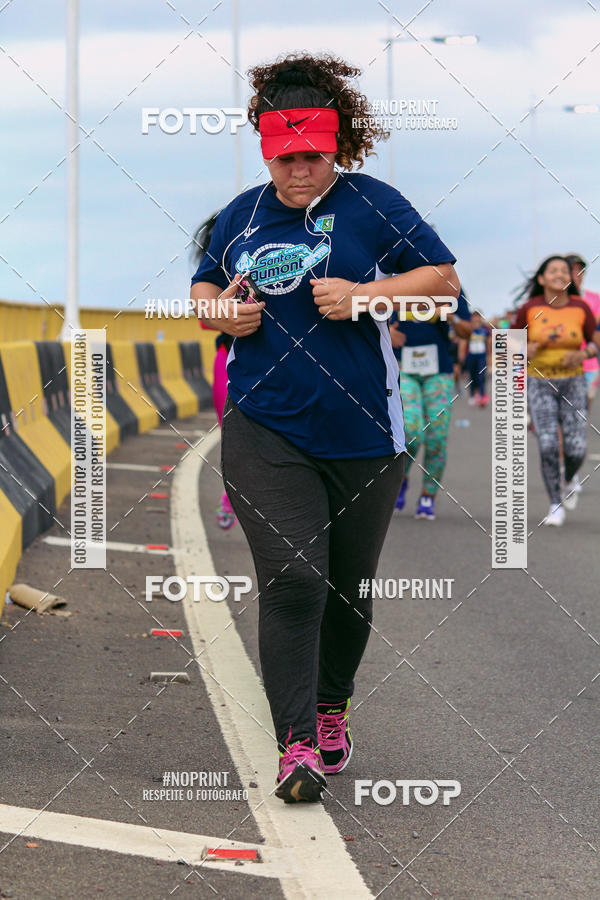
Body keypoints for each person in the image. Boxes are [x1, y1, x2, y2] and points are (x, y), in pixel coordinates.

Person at [190, 52, 459, 803]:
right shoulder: (244, 213)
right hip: (265, 424)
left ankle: (334, 705)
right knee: (293, 579)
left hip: (367, 434)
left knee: (346, 589)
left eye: (309, 157)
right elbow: (204, 285)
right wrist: (222, 312)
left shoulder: (375, 204)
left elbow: (443, 284)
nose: (296, 172)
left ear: (334, 146)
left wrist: (371, 294)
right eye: (283, 158)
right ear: (266, 150)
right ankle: (296, 744)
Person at [513, 255, 598, 526]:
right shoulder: (529, 308)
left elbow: (596, 341)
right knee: (548, 444)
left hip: (573, 382)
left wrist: (584, 353)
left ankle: (570, 477)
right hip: (540, 384)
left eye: (565, 271)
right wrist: (524, 349)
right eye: (553, 271)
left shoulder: (581, 308)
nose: (560, 274)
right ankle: (555, 504)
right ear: (542, 278)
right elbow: (507, 345)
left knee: (576, 448)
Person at [390, 289, 471, 519]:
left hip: (439, 372)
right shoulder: (397, 281)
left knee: (437, 436)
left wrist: (450, 316)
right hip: (404, 369)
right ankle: (402, 478)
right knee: (411, 430)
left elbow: (467, 331)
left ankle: (428, 494)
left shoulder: (449, 288)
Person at [191, 213, 237, 529]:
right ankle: (231, 494)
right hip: (230, 355)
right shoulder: (217, 270)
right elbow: (205, 319)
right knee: (234, 434)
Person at [565, 254, 600, 408]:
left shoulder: (594, 298)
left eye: (580, 270)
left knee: (581, 414)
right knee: (563, 415)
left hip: (589, 365)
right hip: (562, 366)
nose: (577, 274)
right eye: (572, 270)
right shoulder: (554, 300)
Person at [465, 310, 491, 407]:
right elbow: (464, 341)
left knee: (481, 376)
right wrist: (462, 354)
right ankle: (472, 395)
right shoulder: (468, 328)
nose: (476, 319)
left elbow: (489, 341)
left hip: (482, 356)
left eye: (477, 317)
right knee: (472, 376)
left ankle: (482, 395)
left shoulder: (485, 329)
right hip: (471, 356)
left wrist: (489, 354)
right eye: (474, 317)